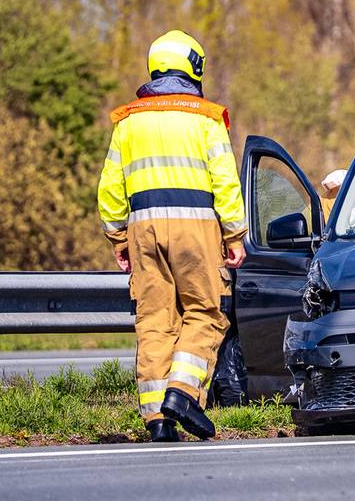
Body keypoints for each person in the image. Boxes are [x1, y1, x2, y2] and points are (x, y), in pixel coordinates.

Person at [97, 30, 247, 442]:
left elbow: (110, 186)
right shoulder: (205, 119)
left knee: (155, 320)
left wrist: (118, 237)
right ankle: (182, 394)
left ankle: (157, 421)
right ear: (194, 68)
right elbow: (225, 181)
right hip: (196, 227)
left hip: (143, 229)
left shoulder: (128, 122)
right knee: (206, 311)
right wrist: (234, 235)